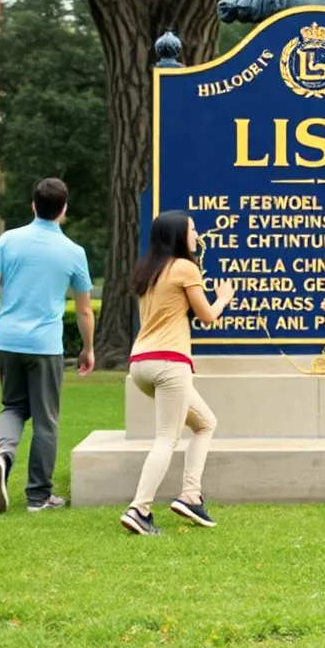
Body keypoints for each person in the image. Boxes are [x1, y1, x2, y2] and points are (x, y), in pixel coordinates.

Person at [0, 178, 96, 514]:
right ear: (64, 209)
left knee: (13, 407)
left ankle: (1, 455)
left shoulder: (7, 240)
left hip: (6, 342)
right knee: (46, 420)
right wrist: (88, 348)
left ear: (33, 205)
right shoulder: (74, 252)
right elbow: (84, 308)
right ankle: (38, 497)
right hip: (45, 345)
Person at [120, 211, 234, 537]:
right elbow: (207, 315)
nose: (197, 235)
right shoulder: (185, 267)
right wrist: (223, 298)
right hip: (170, 362)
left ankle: (190, 495)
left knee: (205, 422)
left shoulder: (148, 271)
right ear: (176, 236)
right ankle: (139, 508)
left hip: (141, 363)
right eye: (193, 230)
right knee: (167, 438)